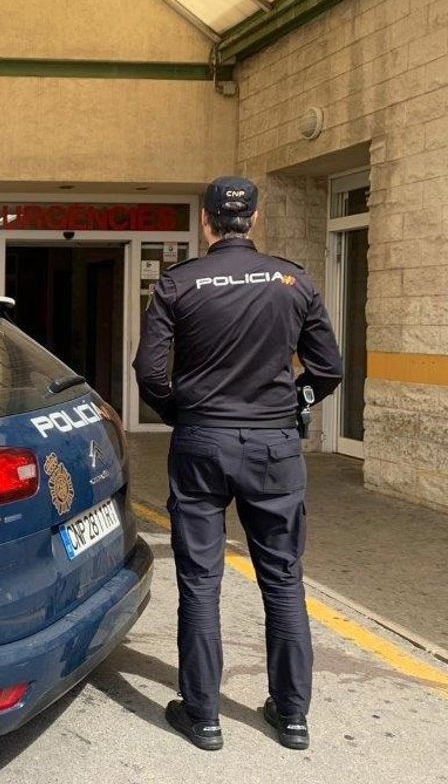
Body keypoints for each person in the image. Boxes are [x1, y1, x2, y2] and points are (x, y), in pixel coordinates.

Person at [133, 176, 343, 752]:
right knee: (283, 579)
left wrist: (182, 413)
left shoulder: (178, 284)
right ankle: (292, 716)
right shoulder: (292, 281)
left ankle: (202, 717)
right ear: (255, 218)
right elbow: (328, 369)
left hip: (202, 442)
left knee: (201, 581)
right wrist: (294, 403)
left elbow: (149, 373)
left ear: (206, 220)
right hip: (274, 447)